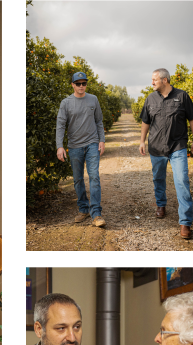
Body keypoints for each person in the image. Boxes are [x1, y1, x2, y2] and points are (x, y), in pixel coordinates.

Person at [139, 68, 193, 240]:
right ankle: (161, 204)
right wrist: (142, 141)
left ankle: (185, 222)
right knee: (158, 178)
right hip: (156, 147)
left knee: (181, 181)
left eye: (154, 79)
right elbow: (145, 121)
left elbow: (192, 119)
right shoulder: (150, 98)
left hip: (177, 146)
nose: (152, 82)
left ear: (165, 80)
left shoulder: (182, 96)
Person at [55, 72, 106, 228]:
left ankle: (96, 214)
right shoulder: (66, 103)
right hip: (74, 146)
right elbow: (60, 125)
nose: (81, 86)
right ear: (73, 85)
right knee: (78, 180)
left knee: (94, 176)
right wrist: (59, 146)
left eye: (84, 83)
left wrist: (102, 140)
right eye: (78, 83)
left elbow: (99, 121)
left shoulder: (93, 99)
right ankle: (83, 209)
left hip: (92, 143)